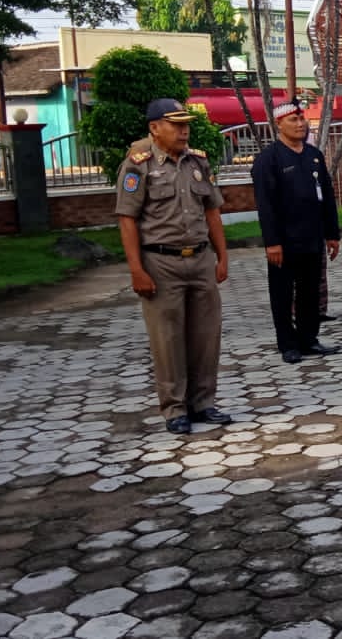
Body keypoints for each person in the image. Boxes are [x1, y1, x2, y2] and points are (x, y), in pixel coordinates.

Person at [114, 99, 231, 435]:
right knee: (168, 339)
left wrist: (222, 257)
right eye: (175, 125)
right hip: (160, 262)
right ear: (154, 128)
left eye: (186, 125)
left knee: (206, 336)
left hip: (200, 258)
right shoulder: (138, 165)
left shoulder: (198, 162)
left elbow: (212, 212)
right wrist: (136, 270)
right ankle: (175, 408)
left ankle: (203, 403)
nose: (184, 131)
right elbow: (127, 219)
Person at [253, 101, 341, 365]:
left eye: (302, 119)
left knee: (310, 291)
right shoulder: (269, 159)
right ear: (278, 124)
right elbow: (265, 205)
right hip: (284, 240)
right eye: (293, 120)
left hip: (312, 236)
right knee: (282, 293)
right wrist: (272, 242)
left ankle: (308, 338)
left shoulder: (314, 155)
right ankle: (287, 343)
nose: (300, 124)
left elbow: (327, 195)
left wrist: (332, 233)